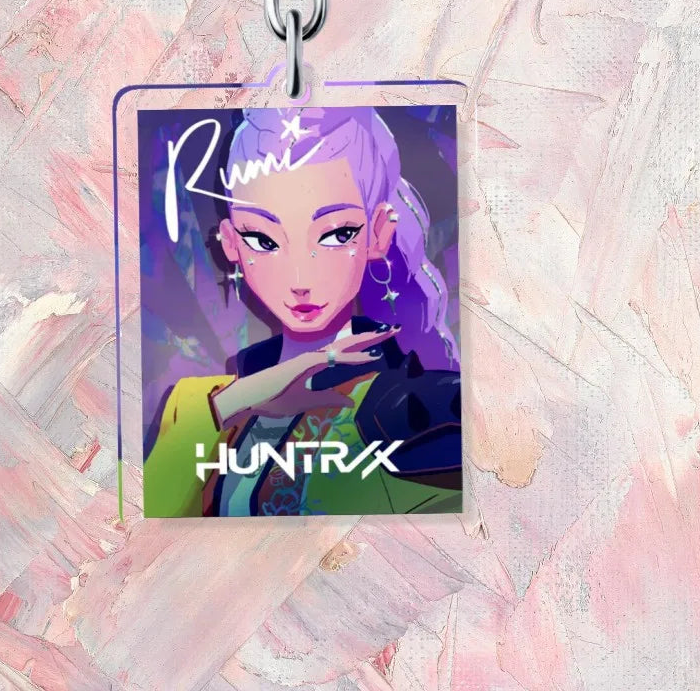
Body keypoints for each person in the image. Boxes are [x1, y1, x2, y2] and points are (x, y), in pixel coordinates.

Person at [143, 106, 462, 517]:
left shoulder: (415, 410)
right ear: (231, 243)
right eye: (263, 240)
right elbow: (150, 517)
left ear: (378, 233)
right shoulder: (203, 404)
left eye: (337, 234)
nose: (299, 278)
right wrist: (238, 399)